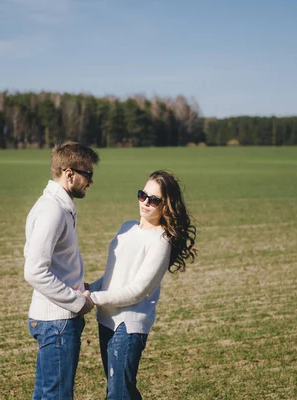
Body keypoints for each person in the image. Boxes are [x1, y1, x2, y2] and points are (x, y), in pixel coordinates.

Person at [87, 170, 197, 399]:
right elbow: (113, 276)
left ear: (166, 205)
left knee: (118, 394)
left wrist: (93, 298)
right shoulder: (126, 228)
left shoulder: (160, 242)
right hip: (106, 321)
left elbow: (138, 291)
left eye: (154, 200)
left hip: (127, 327)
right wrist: (89, 287)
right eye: (142, 195)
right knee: (120, 390)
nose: (146, 202)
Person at [24, 142, 100, 400]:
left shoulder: (57, 206)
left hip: (55, 319)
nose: (91, 182)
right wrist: (77, 301)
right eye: (87, 174)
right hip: (56, 322)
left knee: (49, 395)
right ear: (69, 174)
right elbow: (34, 270)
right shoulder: (52, 211)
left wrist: (78, 284)